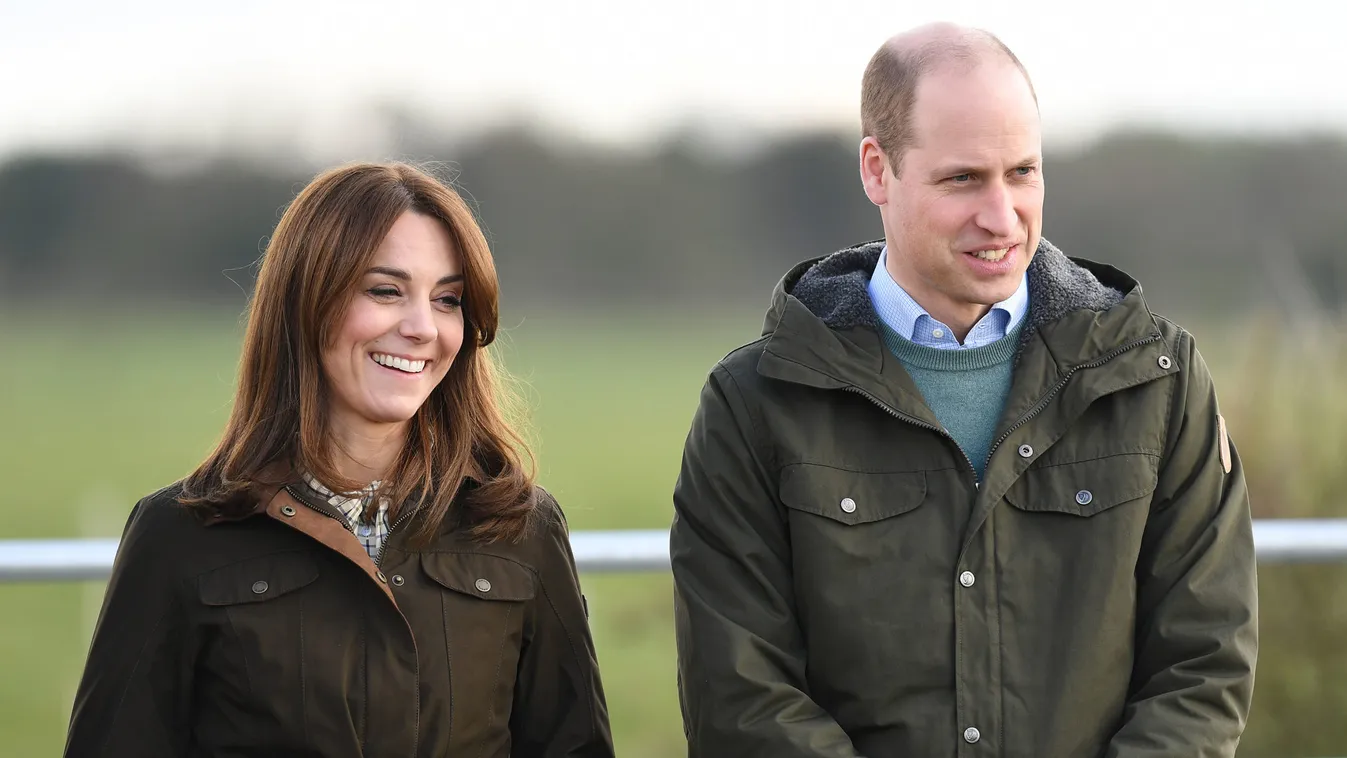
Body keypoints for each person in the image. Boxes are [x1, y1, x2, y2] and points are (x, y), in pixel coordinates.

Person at [670, 22, 1257, 758]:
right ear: (877, 170)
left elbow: (1202, 669)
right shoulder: (754, 404)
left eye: (1021, 172)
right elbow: (741, 700)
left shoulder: (1156, 382)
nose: (1001, 214)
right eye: (962, 179)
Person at [64, 162, 614, 757]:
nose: (423, 327)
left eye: (448, 299)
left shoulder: (520, 527)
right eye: (385, 290)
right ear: (306, 300)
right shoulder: (179, 535)